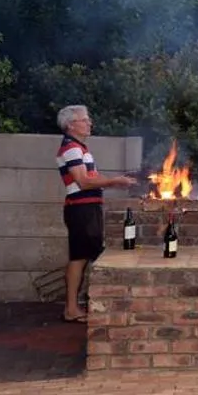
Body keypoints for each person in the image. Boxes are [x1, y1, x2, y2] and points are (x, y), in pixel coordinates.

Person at [54, 104, 135, 324]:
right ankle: (71, 309)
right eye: (85, 119)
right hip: (81, 209)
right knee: (79, 257)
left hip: (87, 208)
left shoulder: (80, 148)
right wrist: (114, 180)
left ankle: (75, 307)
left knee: (82, 256)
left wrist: (115, 182)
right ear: (71, 125)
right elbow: (83, 182)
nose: (90, 123)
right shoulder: (71, 148)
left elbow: (91, 179)